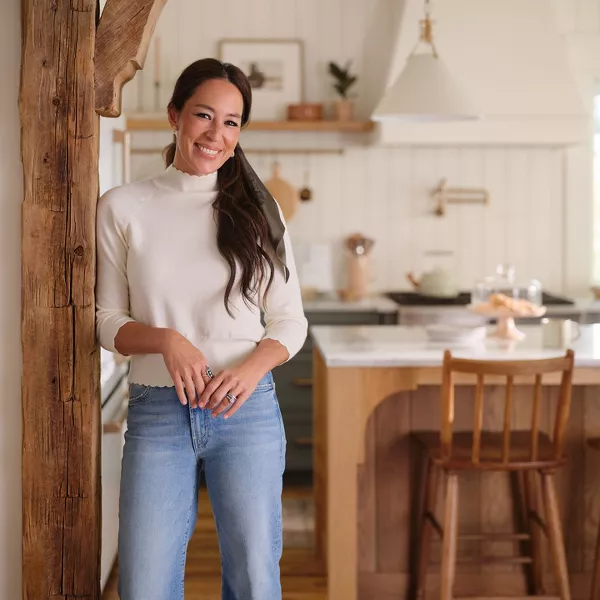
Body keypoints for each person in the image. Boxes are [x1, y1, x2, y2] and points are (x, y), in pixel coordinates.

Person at [95, 58, 308, 600]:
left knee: (256, 579)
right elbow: (104, 320)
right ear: (176, 116)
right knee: (142, 583)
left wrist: (252, 367)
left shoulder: (260, 210)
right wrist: (166, 340)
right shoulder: (123, 207)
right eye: (204, 116)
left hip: (248, 410)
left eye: (232, 122)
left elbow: (289, 319)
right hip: (158, 410)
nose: (217, 134)